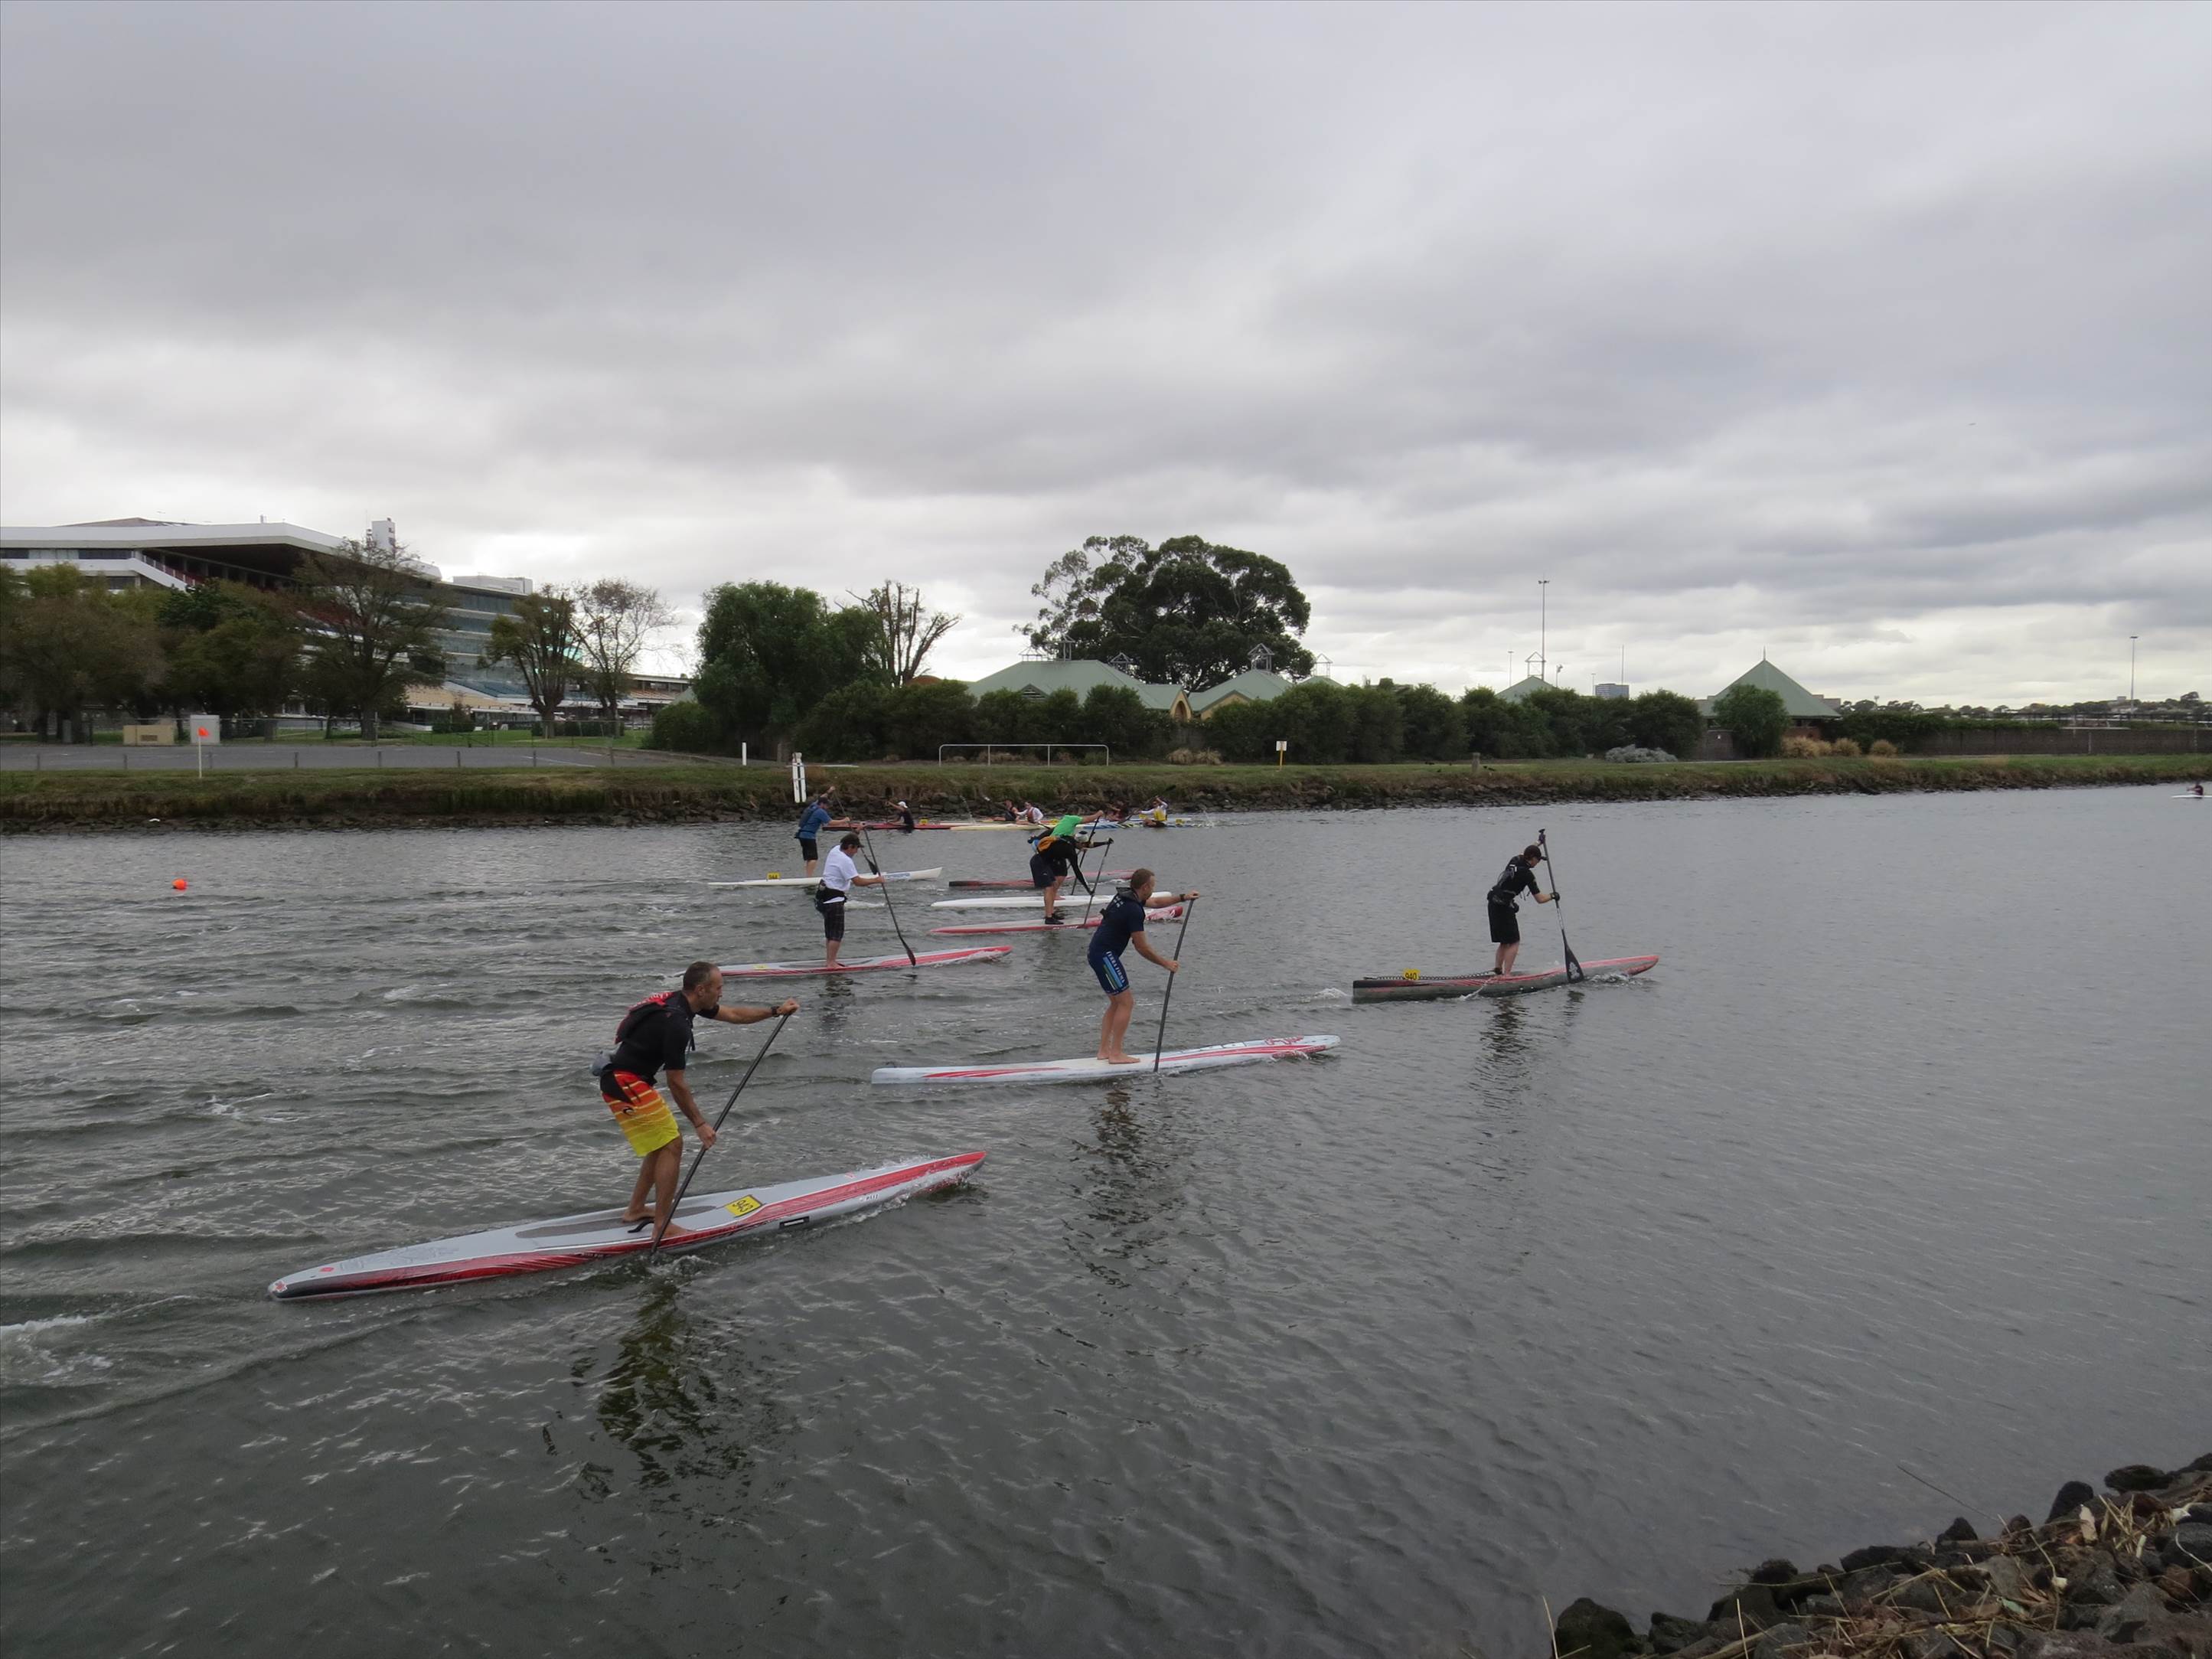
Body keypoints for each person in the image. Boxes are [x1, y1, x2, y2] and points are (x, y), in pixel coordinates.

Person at [598, 963, 798, 1239]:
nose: (721, 994)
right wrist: (700, 1124)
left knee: (660, 1144)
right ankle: (662, 1227)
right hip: (626, 1082)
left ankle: (635, 1209)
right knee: (672, 1144)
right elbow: (676, 1082)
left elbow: (734, 1015)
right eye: (718, 988)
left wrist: (775, 1011)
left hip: (625, 1080)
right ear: (701, 990)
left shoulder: (683, 1002)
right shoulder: (677, 1022)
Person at [1090, 869, 1197, 1063]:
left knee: (1116, 1003)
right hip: (1105, 956)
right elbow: (1142, 947)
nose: (1153, 890)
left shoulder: (1126, 896)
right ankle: (1116, 1054)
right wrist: (1166, 964)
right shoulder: (1133, 910)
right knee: (1126, 1003)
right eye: (1153, 886)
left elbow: (1156, 903)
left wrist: (1183, 897)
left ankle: (1104, 1051)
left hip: (1097, 953)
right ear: (1146, 886)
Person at [817, 831, 886, 968]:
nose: (856, 852)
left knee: (830, 933)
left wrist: (857, 831)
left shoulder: (835, 850)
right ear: (850, 847)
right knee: (836, 934)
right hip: (834, 900)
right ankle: (831, 963)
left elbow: (849, 838)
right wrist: (877, 880)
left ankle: (830, 960)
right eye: (856, 849)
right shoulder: (845, 861)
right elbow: (858, 881)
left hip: (822, 897)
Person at [1487, 842, 1557, 977]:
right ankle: (1507, 975)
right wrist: (1553, 896)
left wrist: (1539, 843)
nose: (1538, 863)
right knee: (1514, 941)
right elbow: (1540, 899)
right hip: (1503, 907)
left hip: (1492, 902)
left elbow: (1524, 851)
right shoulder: (1528, 875)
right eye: (1538, 859)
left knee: (1504, 941)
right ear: (1532, 858)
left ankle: (1497, 971)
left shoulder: (1515, 860)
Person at [1029, 812, 1098, 925]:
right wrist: (1089, 890)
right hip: (1038, 862)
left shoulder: (1068, 838)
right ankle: (1048, 918)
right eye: (1084, 845)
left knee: (1054, 885)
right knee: (1049, 888)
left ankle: (1051, 913)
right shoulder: (1071, 851)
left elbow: (1051, 831)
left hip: (1045, 863)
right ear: (1080, 843)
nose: (1084, 848)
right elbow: (1078, 872)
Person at [795, 789, 835, 877]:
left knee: (809, 858)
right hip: (809, 836)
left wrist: (829, 791)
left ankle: (808, 876)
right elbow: (830, 823)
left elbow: (822, 797)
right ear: (822, 804)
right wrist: (845, 820)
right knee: (813, 859)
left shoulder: (813, 806)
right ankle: (809, 878)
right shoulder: (820, 811)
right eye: (827, 805)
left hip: (802, 835)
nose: (827, 807)